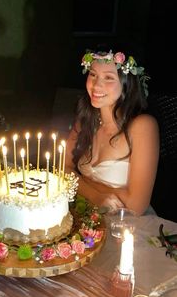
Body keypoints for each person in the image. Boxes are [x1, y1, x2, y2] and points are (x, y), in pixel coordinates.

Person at [65, 49, 159, 216]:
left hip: (129, 226)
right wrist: (97, 196)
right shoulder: (85, 121)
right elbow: (62, 170)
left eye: (108, 77)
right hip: (87, 217)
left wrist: (80, 181)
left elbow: (136, 205)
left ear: (126, 84)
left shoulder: (142, 126)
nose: (96, 85)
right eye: (93, 75)